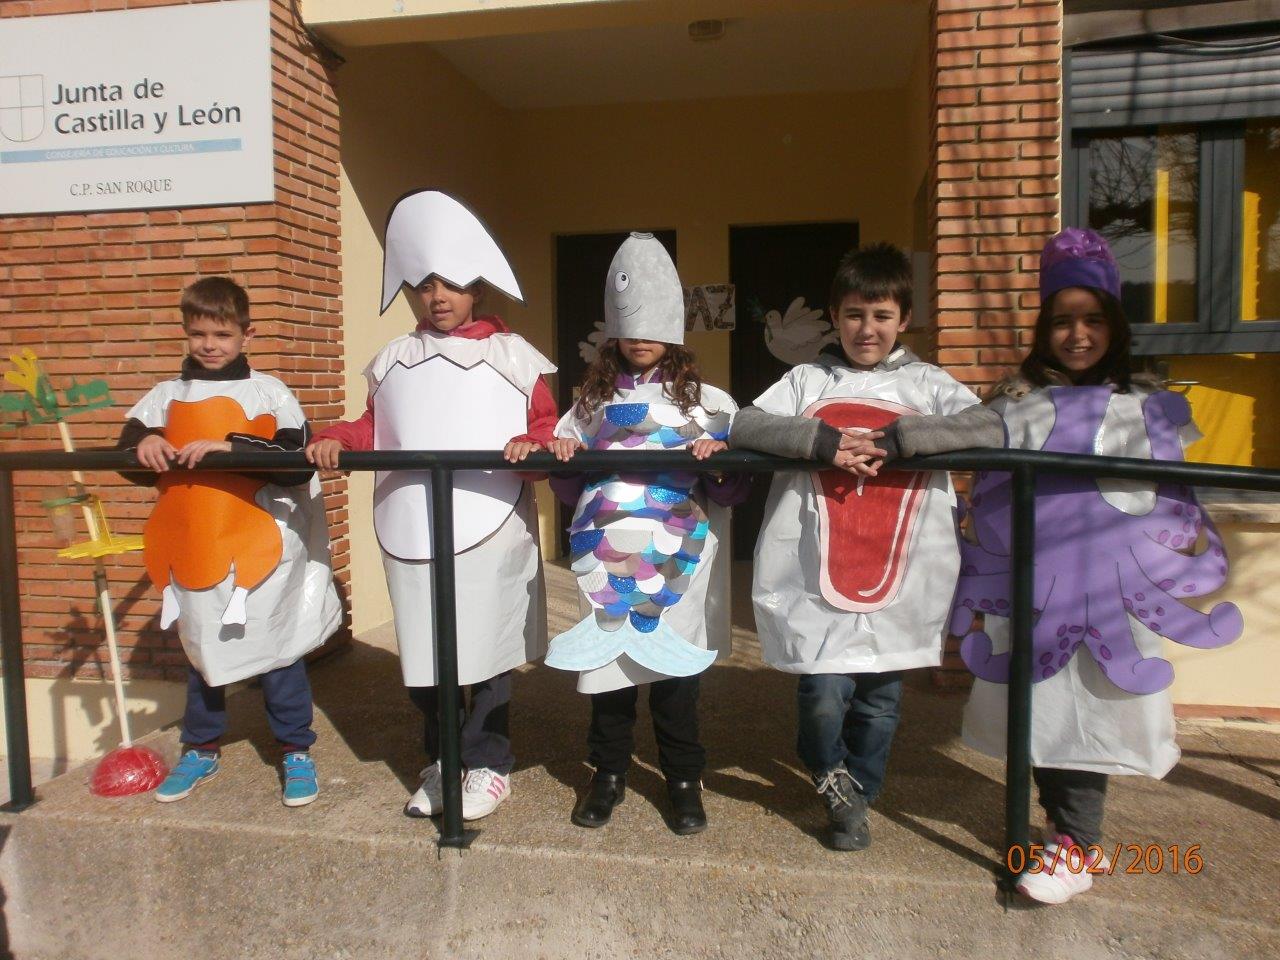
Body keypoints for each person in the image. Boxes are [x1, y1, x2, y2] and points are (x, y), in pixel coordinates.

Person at [847, 228, 1243, 903]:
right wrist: (882, 439)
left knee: (1093, 712)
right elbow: (961, 431)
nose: (1077, 335)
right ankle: (1065, 836)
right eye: (1062, 321)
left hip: (1115, 596)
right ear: (1045, 328)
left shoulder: (1145, 409)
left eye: (1092, 320)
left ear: (1114, 324)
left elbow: (1177, 499)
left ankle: (1075, 844)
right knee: (1044, 714)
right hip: (1038, 593)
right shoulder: (1021, 404)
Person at [727, 243, 989, 850]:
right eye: (852, 314)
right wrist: (821, 443)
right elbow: (745, 423)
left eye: (880, 316)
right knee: (822, 690)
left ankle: (856, 797)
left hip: (898, 573)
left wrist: (902, 439)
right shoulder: (806, 380)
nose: (866, 329)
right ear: (833, 315)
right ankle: (827, 772)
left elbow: (985, 424)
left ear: (903, 319)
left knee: (879, 699)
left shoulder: (927, 384)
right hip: (816, 572)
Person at [306, 190, 557, 821]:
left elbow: (550, 425)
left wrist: (537, 442)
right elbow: (375, 425)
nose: (437, 296)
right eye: (423, 285)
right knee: (425, 656)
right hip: (411, 526)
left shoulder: (514, 355)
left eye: (450, 283)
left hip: (490, 525)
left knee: (487, 649)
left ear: (477, 287)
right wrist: (338, 437)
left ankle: (488, 764)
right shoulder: (392, 359)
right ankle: (446, 755)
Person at [544, 233, 749, 834]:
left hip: (676, 558)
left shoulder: (709, 403)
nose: (639, 336)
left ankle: (685, 781)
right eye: (629, 326)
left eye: (652, 324)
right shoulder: (589, 404)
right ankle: (606, 775)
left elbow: (733, 492)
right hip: (604, 556)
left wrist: (720, 459)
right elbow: (566, 492)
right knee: (610, 675)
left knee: (674, 682)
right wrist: (566, 459)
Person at [119, 275, 342, 807]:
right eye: (198, 334)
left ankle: (294, 748)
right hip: (196, 548)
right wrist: (144, 443)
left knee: (274, 648)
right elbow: (129, 448)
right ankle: (200, 747)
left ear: (247, 333)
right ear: (185, 333)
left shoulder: (268, 392)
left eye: (221, 334)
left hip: (258, 552)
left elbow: (293, 461)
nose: (209, 345)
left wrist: (230, 445)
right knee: (202, 651)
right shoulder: (166, 397)